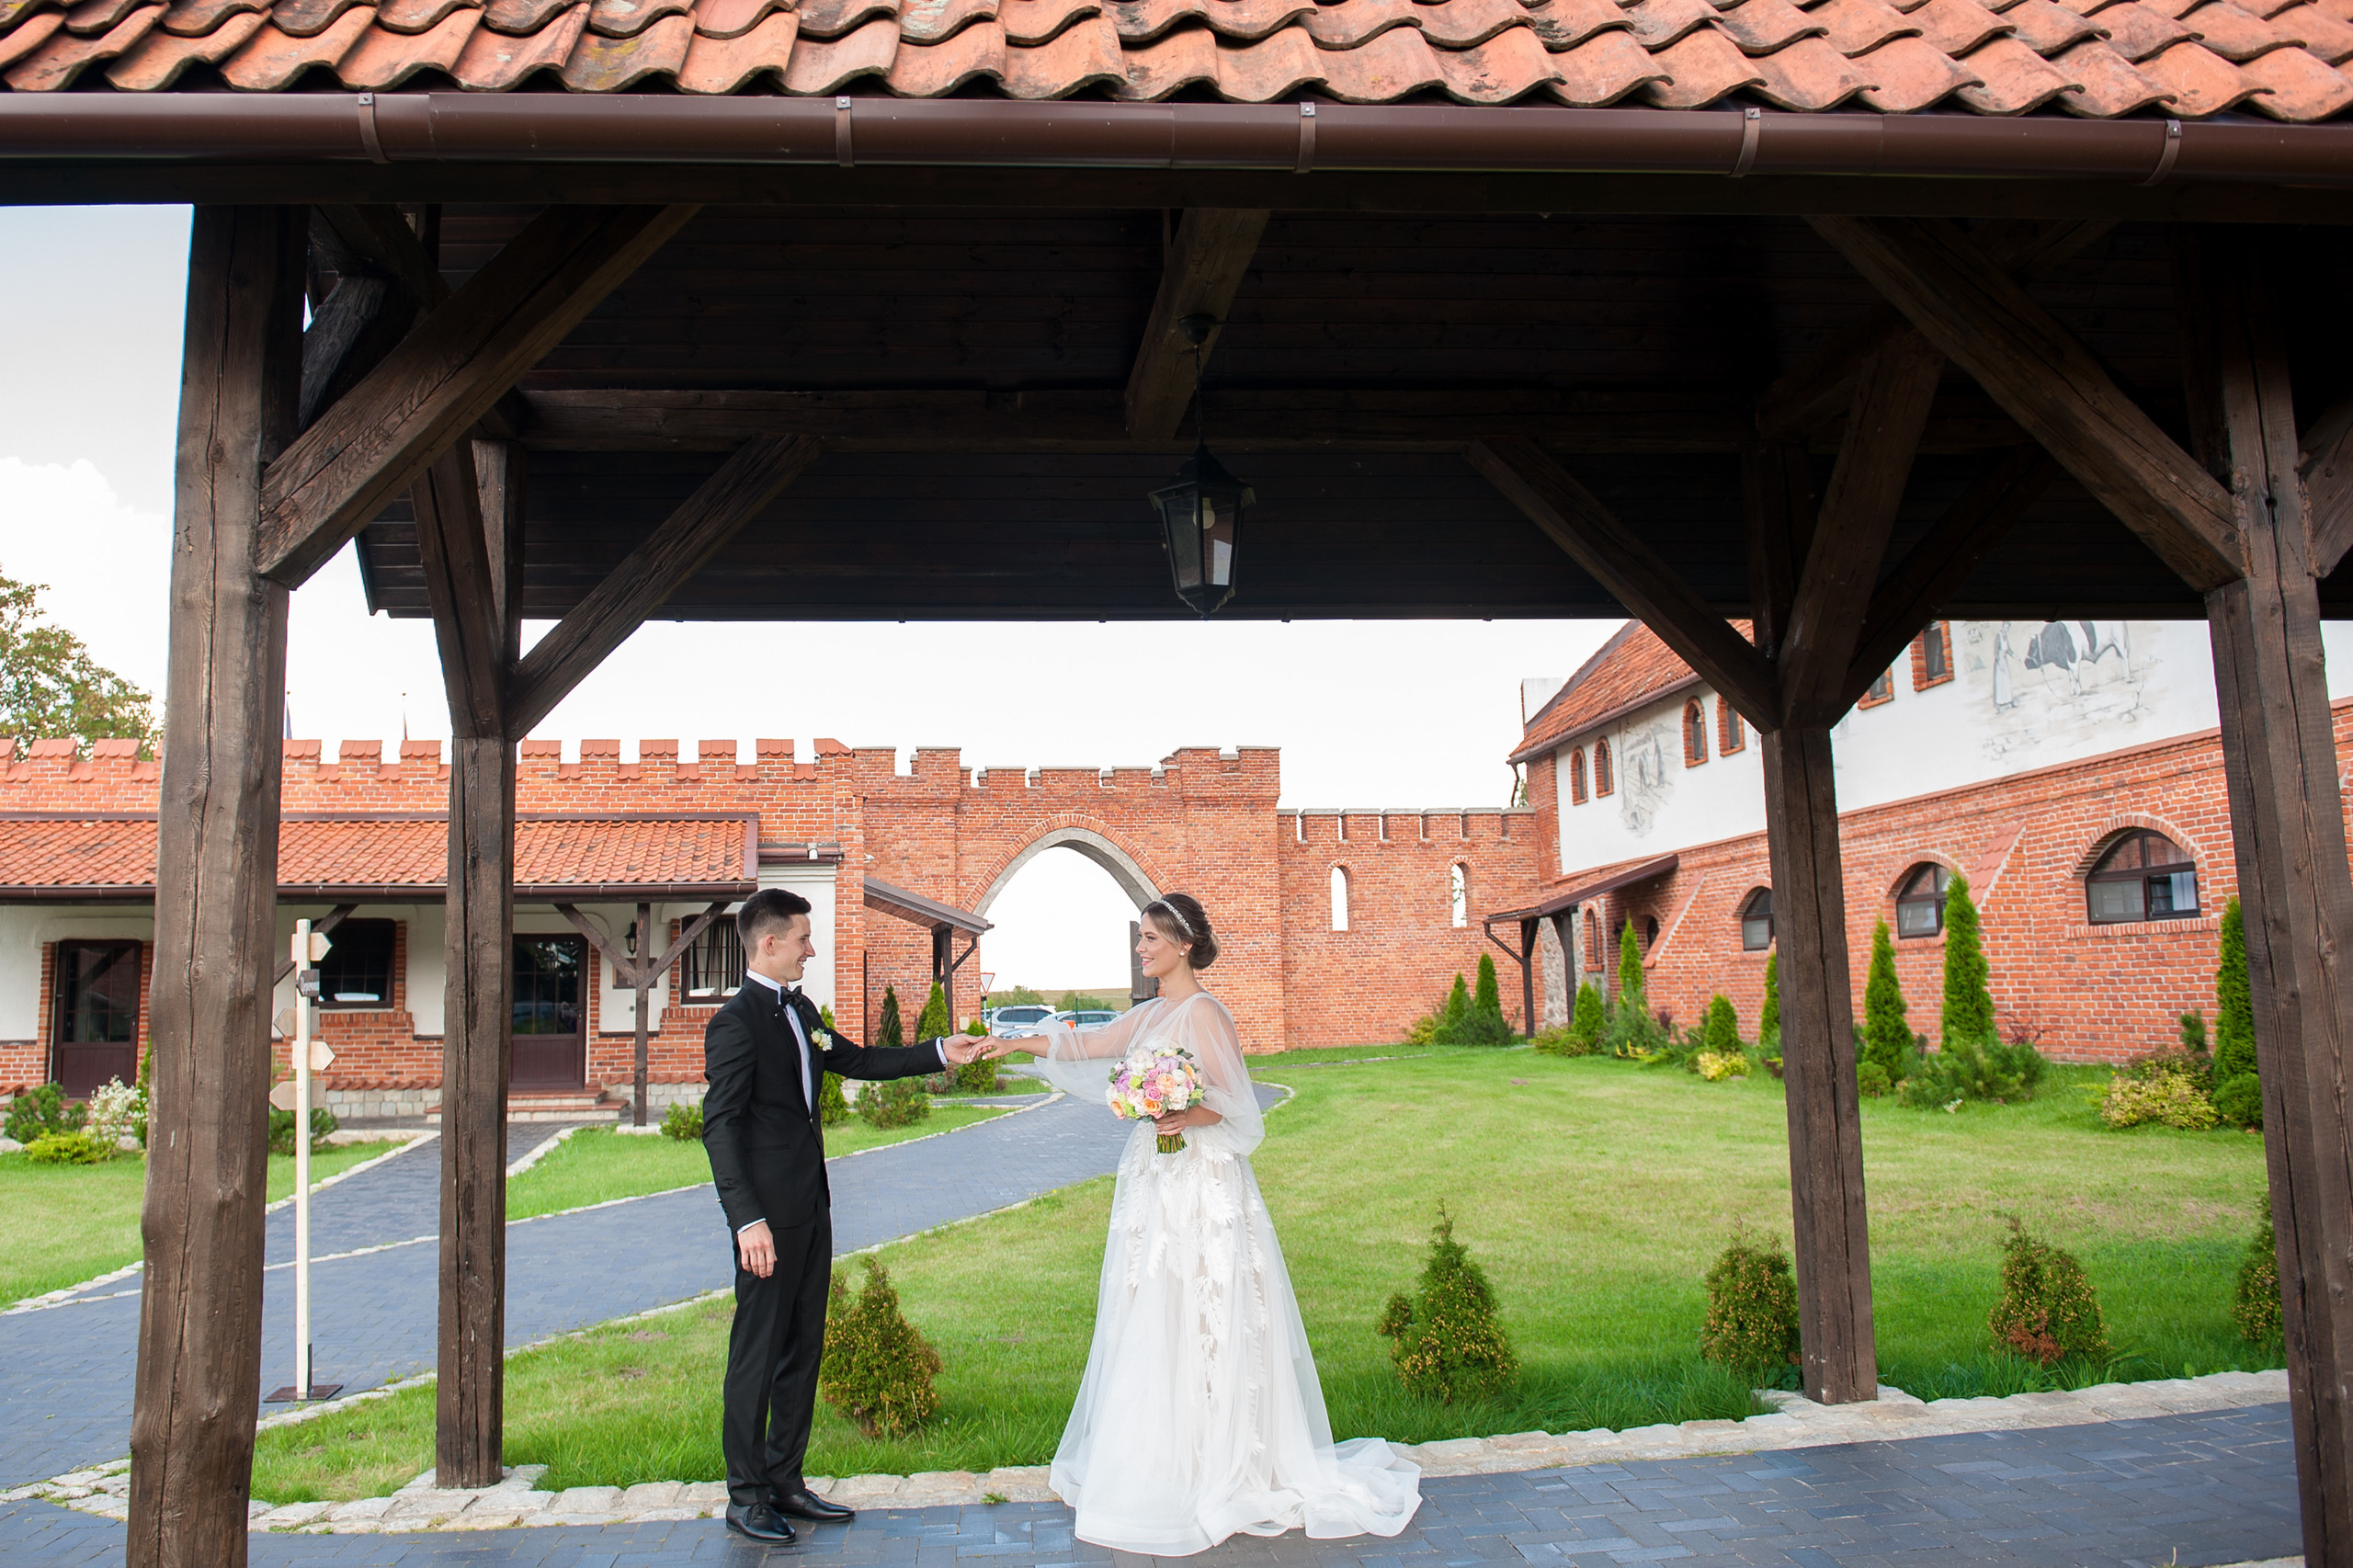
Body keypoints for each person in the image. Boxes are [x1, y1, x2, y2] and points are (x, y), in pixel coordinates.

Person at [984, 892, 1422, 1555]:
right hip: (1157, 1180)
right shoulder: (1152, 1012)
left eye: (1151, 940)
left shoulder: (1206, 1013)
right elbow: (1087, 1042)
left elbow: (1239, 1106)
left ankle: (1221, 1455)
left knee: (1206, 1301)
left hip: (1201, 1181)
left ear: (1183, 945)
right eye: (1140, 940)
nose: (1141, 950)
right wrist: (1008, 1043)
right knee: (1153, 1301)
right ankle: (1161, 1451)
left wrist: (1186, 1112)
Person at [702, 887, 995, 1544]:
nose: (812, 948)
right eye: (804, 938)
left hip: (812, 1207)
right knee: (757, 1353)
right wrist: (746, 1220)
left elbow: (858, 1061)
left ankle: (785, 1482)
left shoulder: (801, 1008)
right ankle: (745, 1497)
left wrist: (941, 1050)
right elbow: (719, 1128)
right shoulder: (735, 1022)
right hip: (766, 1224)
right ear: (770, 942)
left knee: (803, 1347)